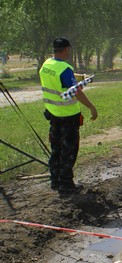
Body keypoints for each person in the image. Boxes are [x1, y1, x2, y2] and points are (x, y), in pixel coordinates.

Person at [39, 37, 98, 197]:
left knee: (56, 148)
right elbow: (76, 92)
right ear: (66, 49)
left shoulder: (47, 65)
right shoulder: (65, 68)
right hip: (68, 116)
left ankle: (55, 180)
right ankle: (66, 185)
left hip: (53, 113)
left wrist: (80, 77)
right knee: (68, 150)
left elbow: (63, 78)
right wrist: (91, 107)